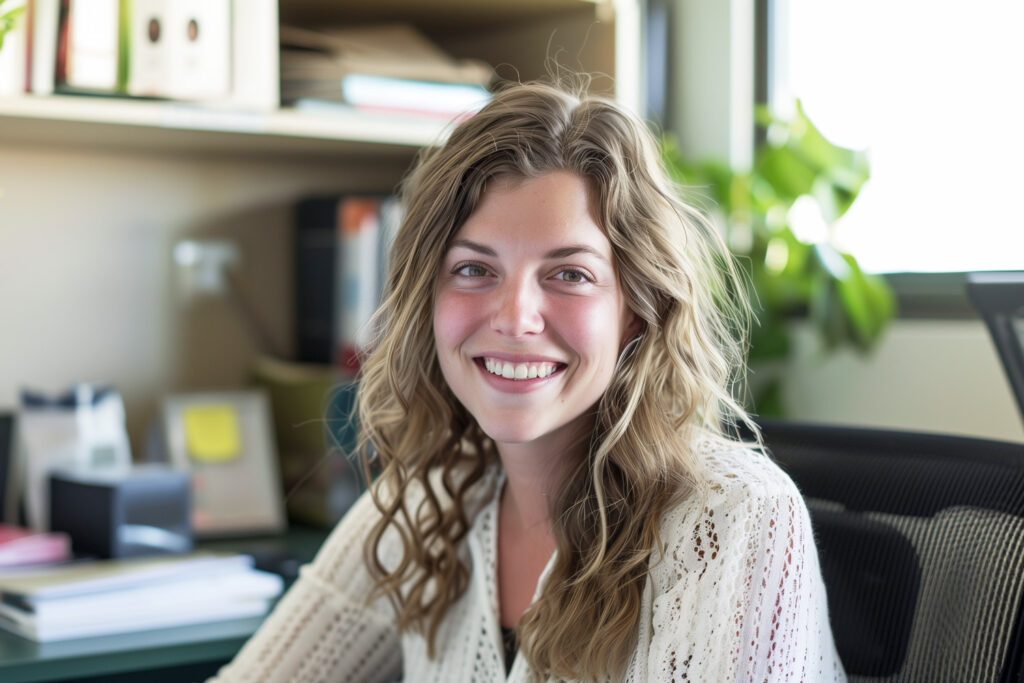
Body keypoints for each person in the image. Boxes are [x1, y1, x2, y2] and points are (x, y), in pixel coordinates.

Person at [209, 78, 845, 682]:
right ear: (425, 298)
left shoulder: (733, 518)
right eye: (472, 269)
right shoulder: (432, 499)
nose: (515, 318)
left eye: (568, 274)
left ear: (637, 308)